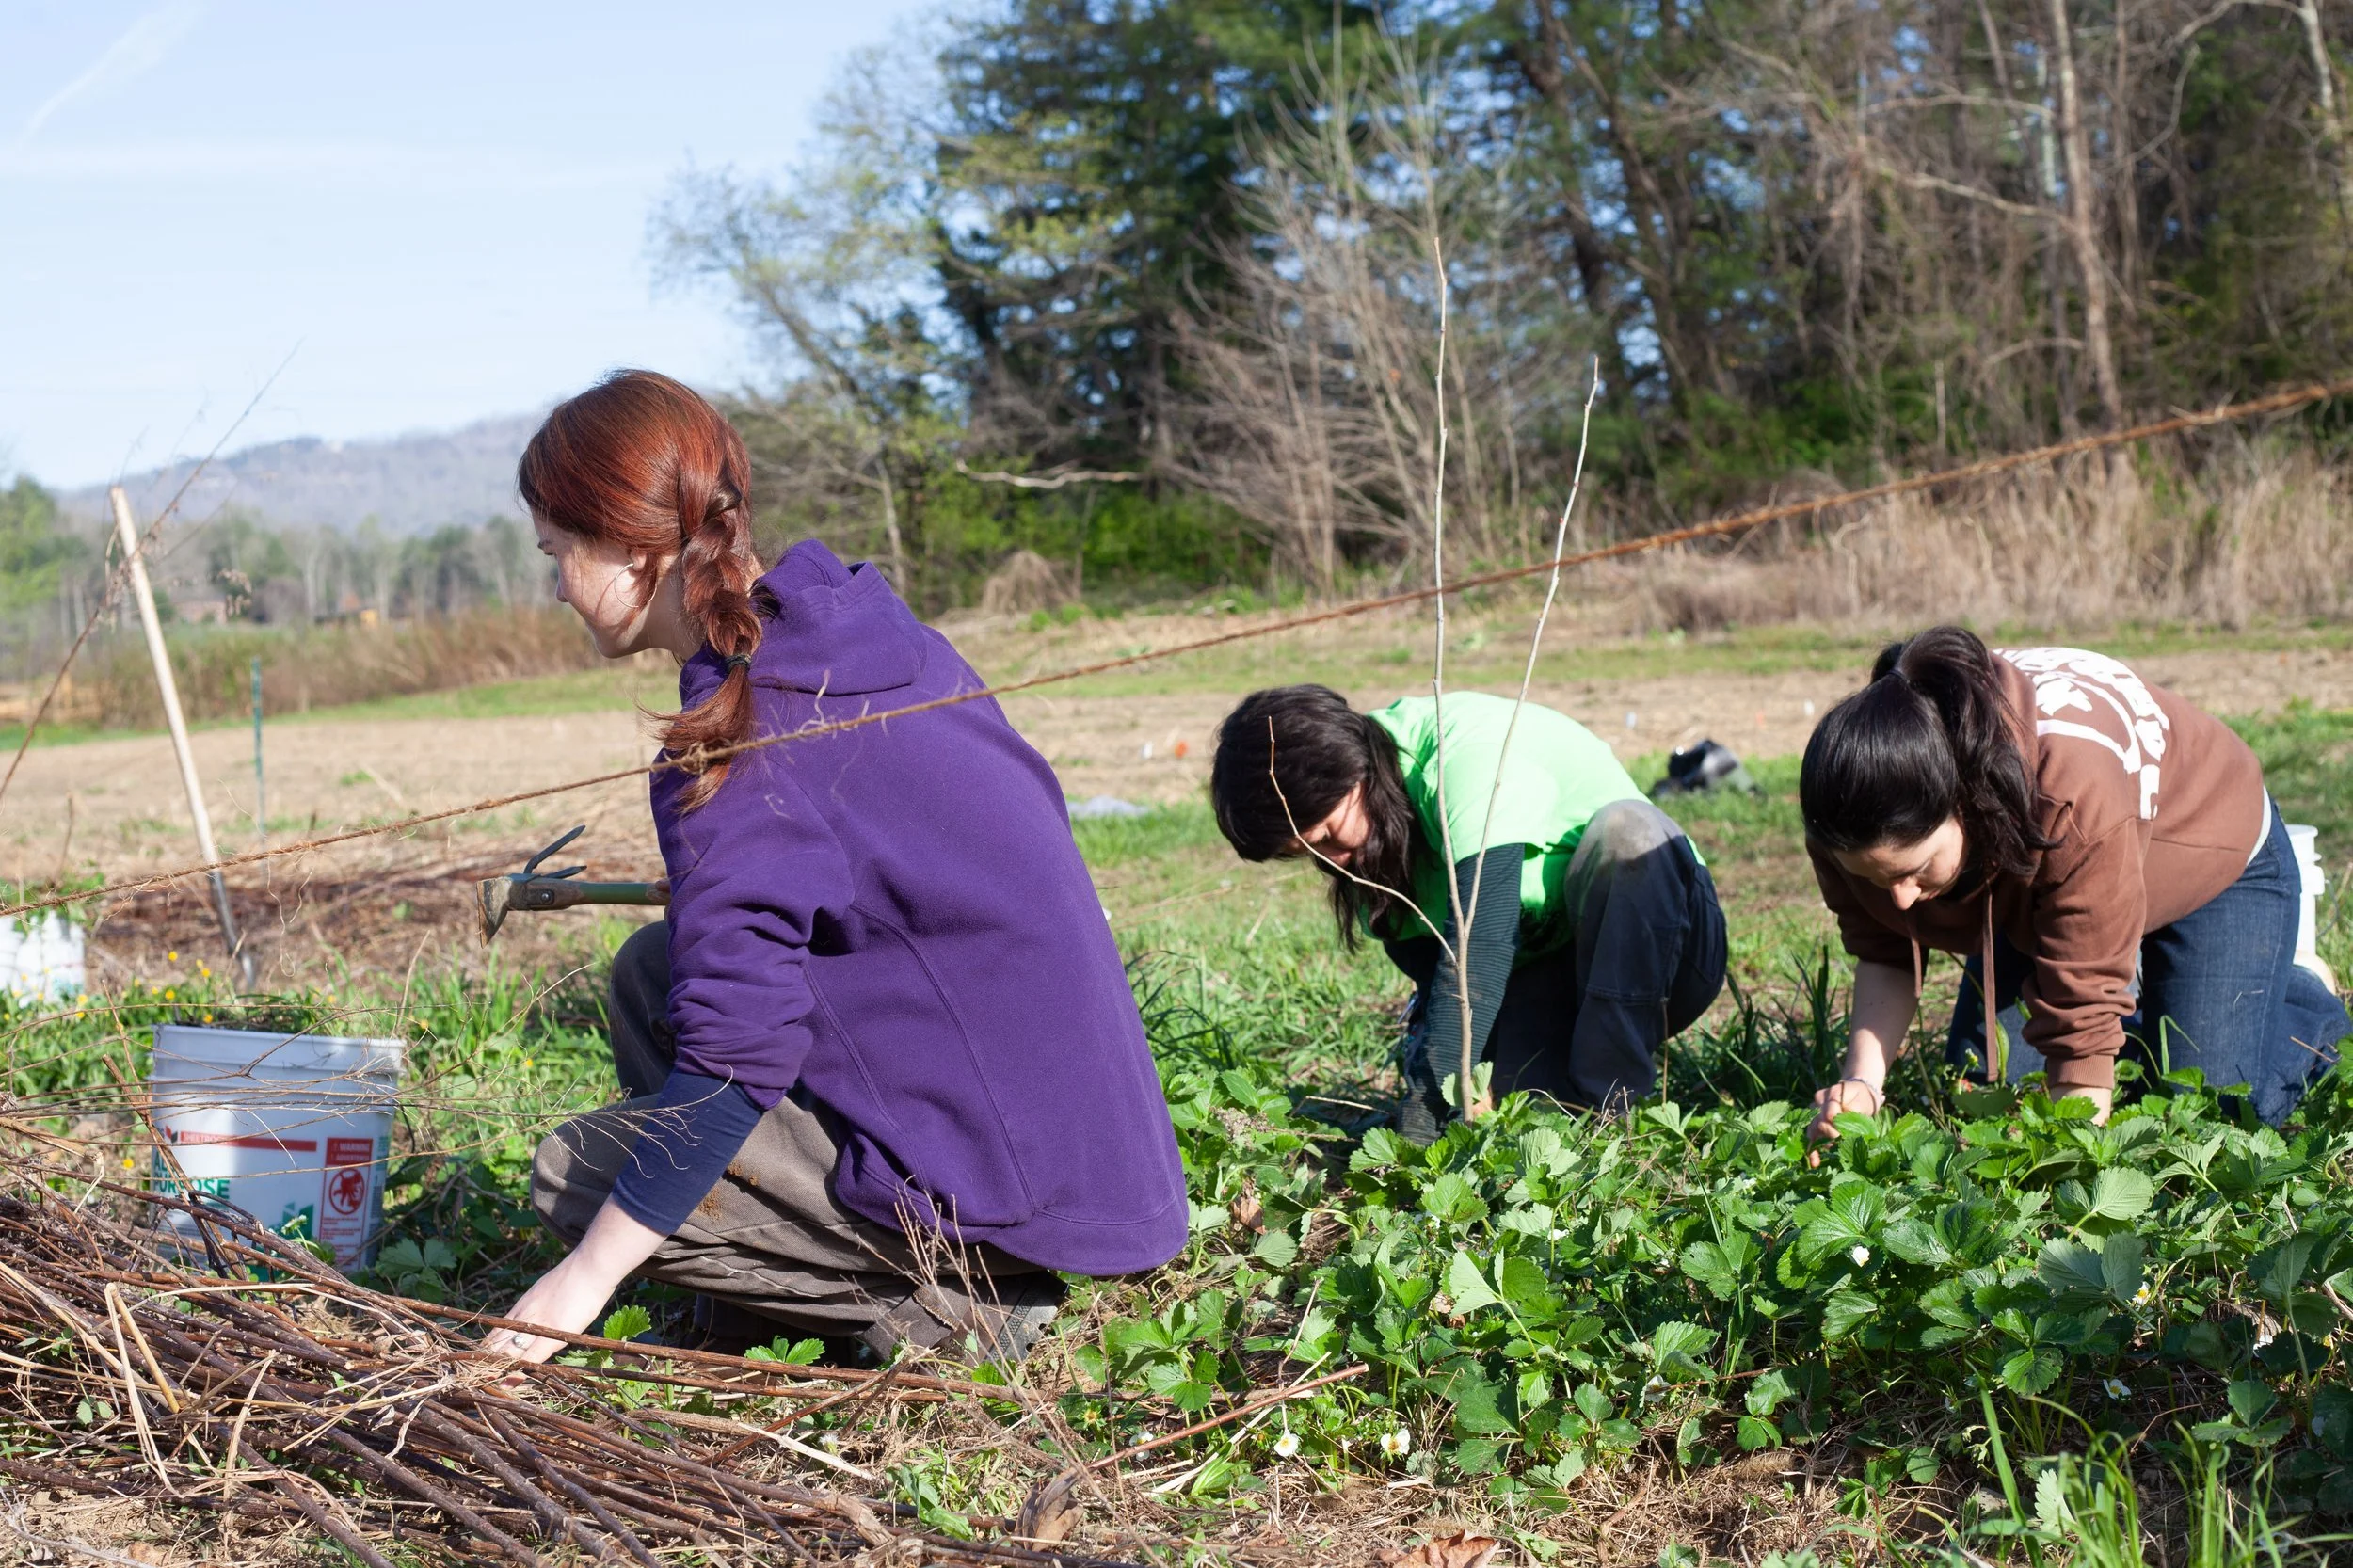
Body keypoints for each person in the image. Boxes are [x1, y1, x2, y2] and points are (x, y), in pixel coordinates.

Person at [480, 371, 1188, 1367]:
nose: (552, 583)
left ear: (634, 550)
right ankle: (774, 1298)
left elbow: (734, 1058)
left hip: (1007, 1187)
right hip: (1080, 1143)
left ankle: (951, 1304)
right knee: (655, 970)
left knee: (577, 1171)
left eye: (557, 552)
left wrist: (575, 1286)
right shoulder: (864, 639)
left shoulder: (738, 743)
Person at [1801, 626, 2348, 1136]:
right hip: (2049, 883)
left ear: (1966, 802)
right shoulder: (1848, 814)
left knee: (2212, 1107)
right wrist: (1863, 1086)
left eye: (1915, 871)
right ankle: (2137, 996)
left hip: (2210, 857)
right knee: (1992, 1087)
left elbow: (2080, 1022)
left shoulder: (2071, 798)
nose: (1898, 899)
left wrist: (2064, 1162)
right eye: (1874, 879)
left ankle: (2300, 994)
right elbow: (1885, 950)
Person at [1209, 685, 1727, 1137]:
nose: (1334, 864)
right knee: (1527, 1122)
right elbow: (1441, 981)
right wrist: (1460, 1089)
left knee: (1627, 833)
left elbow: (1481, 941)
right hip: (1548, 975)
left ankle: (1613, 1112)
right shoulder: (1377, 842)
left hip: (1670, 951)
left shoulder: (1465, 758)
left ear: (1351, 776)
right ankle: (1572, 1097)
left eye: (1326, 837)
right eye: (1308, 855)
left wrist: (1425, 1109)